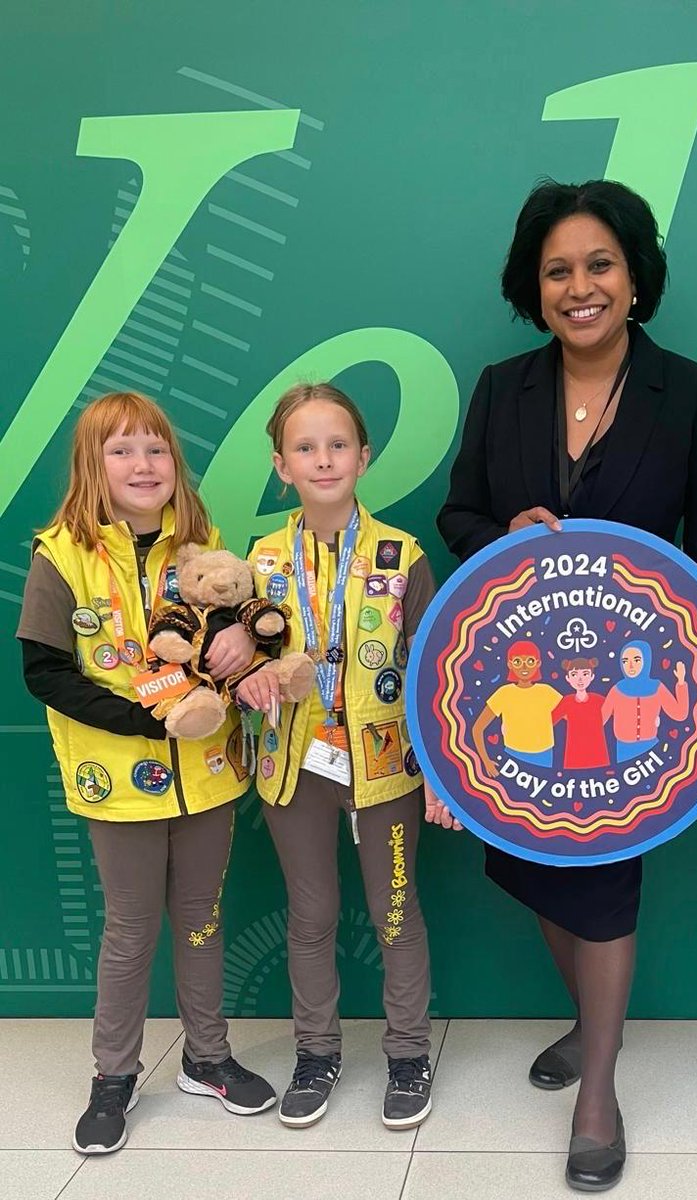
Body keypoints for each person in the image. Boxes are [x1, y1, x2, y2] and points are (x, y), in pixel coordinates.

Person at [438, 179, 697, 1191]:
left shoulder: (690, 392)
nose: (578, 286)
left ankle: (597, 1089)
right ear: (534, 285)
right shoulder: (499, 386)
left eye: (598, 264)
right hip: (519, 689)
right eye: (557, 269)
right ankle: (588, 1023)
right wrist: (500, 534)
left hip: (630, 704)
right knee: (530, 863)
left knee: (605, 881)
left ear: (633, 276)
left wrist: (692, 685)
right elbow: (458, 516)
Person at [17, 392, 276, 1156]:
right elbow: (44, 671)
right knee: (131, 929)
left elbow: (233, 631)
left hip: (206, 771)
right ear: (92, 466)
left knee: (200, 918)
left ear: (175, 464)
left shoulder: (202, 544)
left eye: (156, 449)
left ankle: (207, 1058)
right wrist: (144, 720)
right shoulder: (58, 552)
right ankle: (113, 1077)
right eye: (122, 450)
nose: (142, 464)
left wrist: (242, 650)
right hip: (117, 776)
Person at [235, 382, 458, 1132]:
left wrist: (438, 774)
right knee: (312, 913)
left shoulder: (403, 555)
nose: (323, 459)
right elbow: (232, 663)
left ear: (364, 457)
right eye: (305, 447)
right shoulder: (259, 562)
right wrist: (244, 678)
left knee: (396, 911)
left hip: (386, 765)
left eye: (337, 445)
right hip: (294, 768)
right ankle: (316, 1052)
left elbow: (433, 672)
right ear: (280, 465)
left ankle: (406, 1053)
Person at [473, 639, 560, 771]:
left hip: (545, 756)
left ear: (538, 664)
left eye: (530, 661)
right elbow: (477, 729)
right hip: (513, 756)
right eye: (518, 662)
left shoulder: (547, 692)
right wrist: (486, 762)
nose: (524, 667)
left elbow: (574, 717)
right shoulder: (504, 693)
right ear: (510, 664)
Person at [600, 642, 688, 761]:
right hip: (625, 749)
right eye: (625, 661)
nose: (630, 666)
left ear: (646, 660)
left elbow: (679, 714)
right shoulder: (617, 690)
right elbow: (599, 720)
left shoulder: (657, 687)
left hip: (652, 748)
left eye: (636, 660)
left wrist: (681, 683)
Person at [553, 657, 609, 769]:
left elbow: (620, 714)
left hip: (598, 754)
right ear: (568, 678)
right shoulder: (567, 701)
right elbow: (550, 721)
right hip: (574, 755)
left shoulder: (599, 700)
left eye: (585, 674)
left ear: (592, 677)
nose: (580, 679)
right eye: (574, 675)